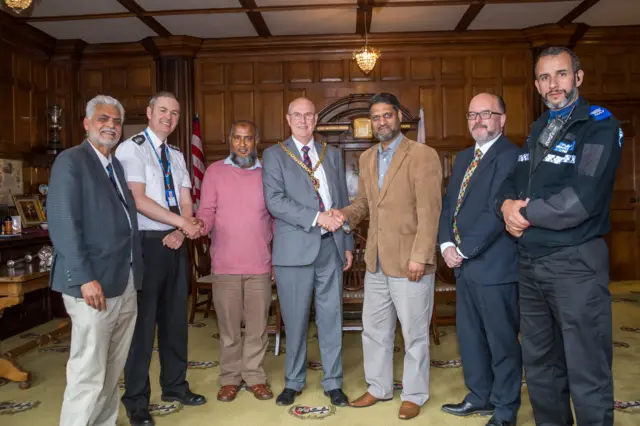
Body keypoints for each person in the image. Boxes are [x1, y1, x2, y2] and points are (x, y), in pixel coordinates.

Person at [497, 46, 623, 426]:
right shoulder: (539, 128)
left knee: (586, 366)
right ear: (537, 84)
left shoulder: (598, 125)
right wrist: (506, 205)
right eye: (545, 77)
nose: (554, 84)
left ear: (578, 78)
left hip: (575, 263)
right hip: (531, 264)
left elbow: (580, 199)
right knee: (540, 366)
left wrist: (524, 213)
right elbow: (514, 179)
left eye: (561, 74)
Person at [333, 92, 442, 421]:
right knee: (374, 330)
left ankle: (414, 393)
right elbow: (365, 204)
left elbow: (429, 211)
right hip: (376, 262)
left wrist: (420, 257)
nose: (382, 122)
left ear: (399, 118)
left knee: (414, 333)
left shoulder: (423, 155)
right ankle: (378, 387)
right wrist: (344, 214)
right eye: (376, 118)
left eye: (387, 116)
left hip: (411, 262)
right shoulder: (367, 158)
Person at [47, 95, 143, 426]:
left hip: (124, 280)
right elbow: (62, 221)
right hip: (93, 283)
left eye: (116, 121)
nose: (111, 126)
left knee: (112, 368)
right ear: (87, 124)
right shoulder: (71, 161)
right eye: (103, 119)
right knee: (88, 370)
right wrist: (85, 277)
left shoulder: (114, 165)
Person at [116, 91, 206, 426]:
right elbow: (137, 199)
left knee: (174, 321)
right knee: (142, 328)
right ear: (150, 112)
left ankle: (175, 386)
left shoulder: (177, 154)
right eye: (163, 111)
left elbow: (185, 199)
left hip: (175, 240)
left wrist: (182, 230)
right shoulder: (132, 148)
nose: (169, 117)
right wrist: (182, 223)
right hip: (145, 244)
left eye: (175, 113)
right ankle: (137, 401)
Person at [261, 97, 353, 407]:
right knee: (296, 321)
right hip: (293, 251)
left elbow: (341, 201)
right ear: (288, 119)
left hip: (332, 248)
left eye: (309, 115)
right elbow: (274, 201)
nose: (303, 120)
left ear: (316, 119)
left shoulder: (332, 154)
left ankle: (333, 381)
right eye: (297, 115)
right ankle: (294, 381)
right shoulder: (274, 155)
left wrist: (348, 242)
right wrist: (317, 218)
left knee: (331, 318)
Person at [438, 93, 521, 426]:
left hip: (495, 265)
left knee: (501, 341)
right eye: (472, 114)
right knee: (470, 337)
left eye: (486, 113)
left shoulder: (512, 156)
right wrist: (445, 243)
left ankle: (505, 409)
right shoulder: (462, 159)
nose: (478, 120)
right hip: (464, 267)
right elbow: (449, 205)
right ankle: (479, 396)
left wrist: (464, 249)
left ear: (502, 118)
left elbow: (496, 212)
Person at [196, 120, 275, 402]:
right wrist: (197, 225)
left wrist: (276, 260)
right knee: (229, 330)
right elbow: (206, 211)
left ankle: (254, 376)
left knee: (256, 328)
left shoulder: (268, 173)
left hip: (260, 266)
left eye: (248, 138)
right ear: (230, 141)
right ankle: (230, 378)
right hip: (225, 266)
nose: (243, 144)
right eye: (238, 138)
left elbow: (276, 218)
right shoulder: (215, 172)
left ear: (257, 141)